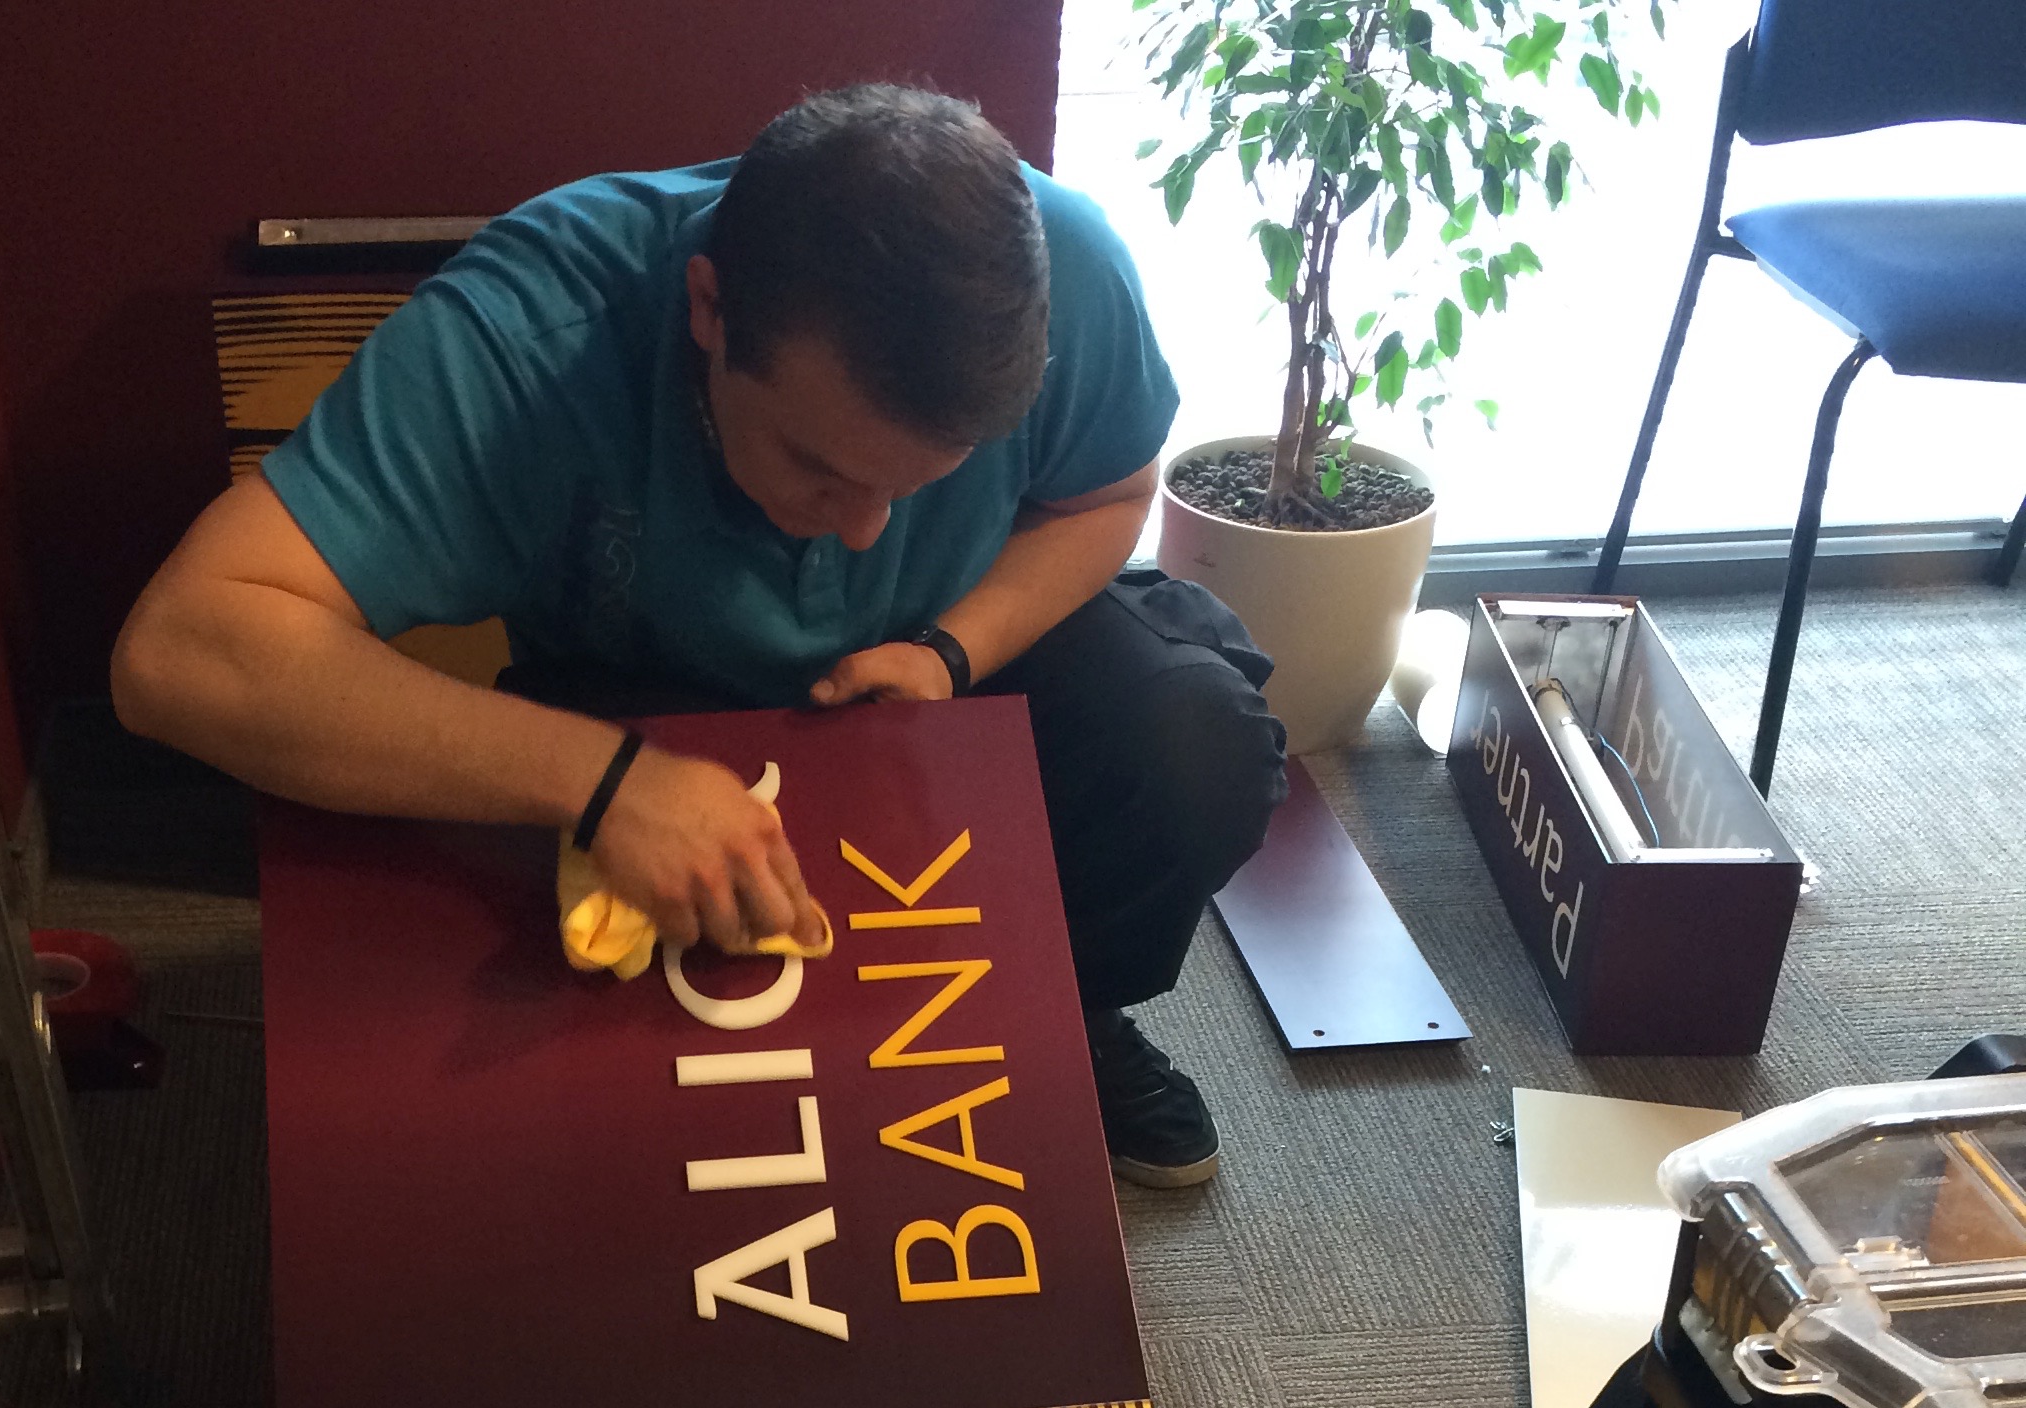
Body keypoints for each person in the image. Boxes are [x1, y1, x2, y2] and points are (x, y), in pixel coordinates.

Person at [113, 85, 1287, 1186]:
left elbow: (1107, 497)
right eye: (818, 465)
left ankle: (1065, 1007)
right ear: (711, 308)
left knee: (1193, 742)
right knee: (593, 1123)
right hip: (644, 696)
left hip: (933, 662)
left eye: (923, 480)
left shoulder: (1064, 268)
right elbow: (180, 651)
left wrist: (951, 649)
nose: (868, 532)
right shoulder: (530, 332)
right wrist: (605, 781)